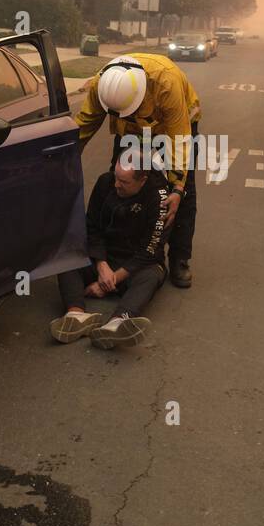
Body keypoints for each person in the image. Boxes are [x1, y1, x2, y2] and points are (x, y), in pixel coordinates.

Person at [74, 53, 202, 288]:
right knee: (121, 182)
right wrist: (66, 159)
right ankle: (118, 253)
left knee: (183, 193)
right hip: (132, 130)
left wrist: (177, 187)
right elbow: (85, 124)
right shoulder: (102, 84)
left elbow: (179, 140)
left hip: (174, 125)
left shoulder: (166, 82)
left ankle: (179, 259)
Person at [50, 159, 170, 349]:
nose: (116, 185)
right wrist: (101, 264)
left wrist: (105, 283)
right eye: (116, 178)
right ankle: (76, 315)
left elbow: (150, 249)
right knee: (67, 256)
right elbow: (92, 227)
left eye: (124, 182)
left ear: (143, 180)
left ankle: (117, 323)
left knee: (153, 274)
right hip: (104, 257)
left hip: (136, 264)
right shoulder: (105, 182)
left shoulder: (161, 198)